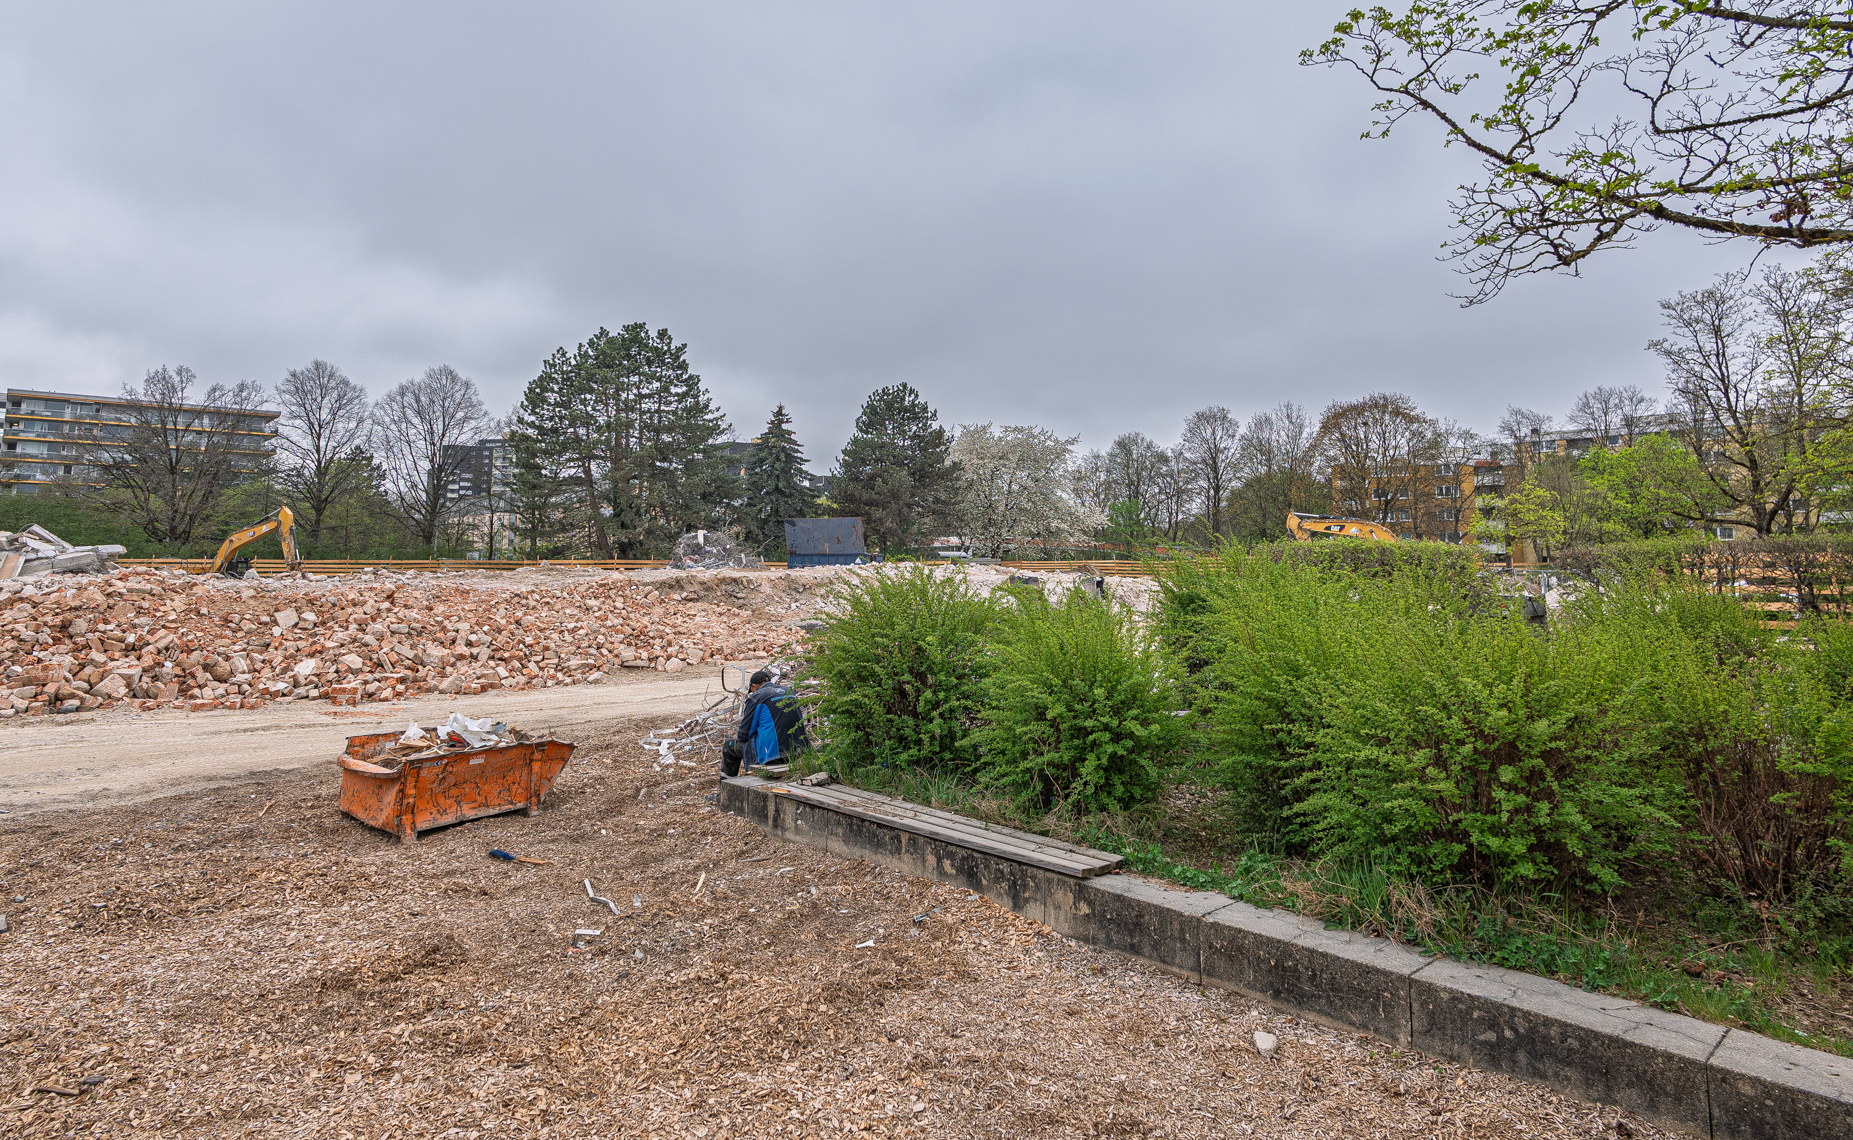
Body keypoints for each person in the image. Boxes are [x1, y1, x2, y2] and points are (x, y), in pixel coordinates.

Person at [721, 669, 809, 778]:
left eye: (752, 690)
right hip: (800, 749)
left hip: (773, 753)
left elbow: (744, 734)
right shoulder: (789, 691)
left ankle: (726, 786)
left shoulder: (756, 697)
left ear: (754, 686)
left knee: (728, 747)